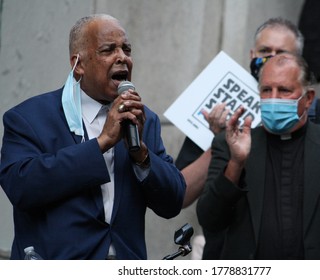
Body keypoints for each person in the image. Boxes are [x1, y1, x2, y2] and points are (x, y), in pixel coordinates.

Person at [0, 14, 186, 260]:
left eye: (126, 49)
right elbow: (21, 187)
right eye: (108, 50)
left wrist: (141, 153)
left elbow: (172, 202)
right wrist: (100, 144)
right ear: (78, 64)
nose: (122, 57)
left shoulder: (143, 119)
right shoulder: (29, 117)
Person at [179, 17, 320, 260]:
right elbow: (180, 195)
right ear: (252, 54)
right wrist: (220, 143)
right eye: (265, 51)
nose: (271, 59)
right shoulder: (216, 102)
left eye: (281, 53)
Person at [196, 52, 320, 259]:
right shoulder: (230, 144)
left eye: (284, 90)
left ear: (308, 98)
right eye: (266, 90)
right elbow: (210, 220)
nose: (273, 99)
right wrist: (236, 164)